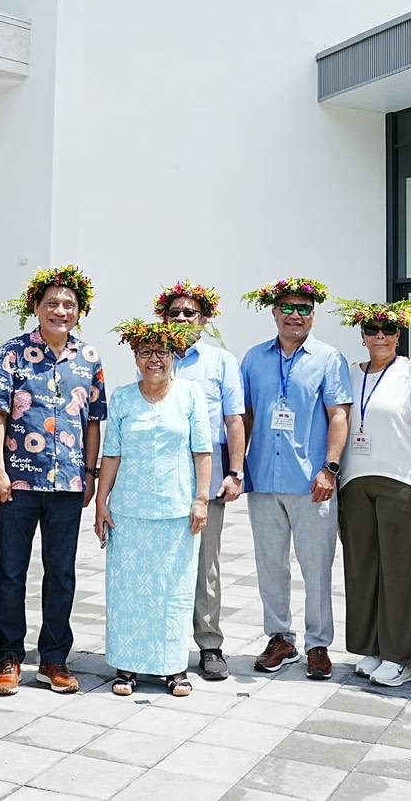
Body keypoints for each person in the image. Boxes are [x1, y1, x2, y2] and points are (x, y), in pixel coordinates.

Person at [0, 265, 107, 696]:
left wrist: (90, 473)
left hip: (69, 485)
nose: (60, 310)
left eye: (69, 305)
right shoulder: (12, 353)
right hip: (18, 482)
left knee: (62, 572)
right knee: (11, 571)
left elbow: (94, 421)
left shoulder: (89, 358)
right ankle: (10, 657)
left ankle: (54, 658)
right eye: (51, 303)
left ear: (80, 312)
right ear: (35, 307)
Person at [240, 277, 353, 679]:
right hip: (264, 480)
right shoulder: (253, 359)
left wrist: (331, 468)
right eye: (287, 307)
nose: (295, 315)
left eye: (304, 309)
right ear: (273, 312)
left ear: (314, 315)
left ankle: (318, 643)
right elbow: (246, 417)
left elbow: (339, 414)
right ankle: (280, 638)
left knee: (317, 566)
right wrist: (238, 470)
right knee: (270, 564)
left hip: (312, 483)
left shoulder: (328, 358)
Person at [95, 320, 212, 698]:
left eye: (162, 352)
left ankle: (173, 668)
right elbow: (111, 454)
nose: (154, 359)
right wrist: (102, 501)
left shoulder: (191, 395)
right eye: (145, 352)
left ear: (175, 356)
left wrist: (201, 499)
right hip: (130, 511)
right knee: (128, 591)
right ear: (135, 357)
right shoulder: (123, 398)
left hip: (177, 511)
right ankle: (127, 666)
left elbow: (202, 451)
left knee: (172, 590)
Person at [334, 299, 411, 688]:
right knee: (363, 569)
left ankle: (402, 657)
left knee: (401, 573)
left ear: (399, 335)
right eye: (373, 329)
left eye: (389, 329)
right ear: (362, 336)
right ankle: (373, 647)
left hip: (401, 481)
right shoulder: (349, 373)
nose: (381, 335)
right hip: (354, 481)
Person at [155, 280, 246, 681]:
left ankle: (209, 644)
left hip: (206, 477)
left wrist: (235, 472)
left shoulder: (221, 361)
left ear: (205, 319)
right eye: (174, 313)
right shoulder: (155, 357)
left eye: (189, 313)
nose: (181, 319)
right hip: (162, 475)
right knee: (163, 560)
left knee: (205, 562)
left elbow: (233, 420)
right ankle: (160, 641)